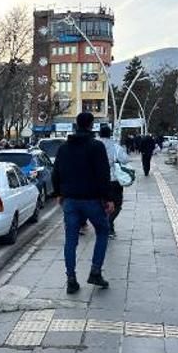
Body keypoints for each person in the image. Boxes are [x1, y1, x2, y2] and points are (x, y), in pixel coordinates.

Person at [52, 112, 114, 294]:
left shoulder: (63, 148)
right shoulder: (96, 146)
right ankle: (95, 271)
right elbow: (103, 174)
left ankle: (71, 279)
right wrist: (108, 198)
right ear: (91, 125)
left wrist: (59, 193)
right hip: (92, 200)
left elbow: (56, 173)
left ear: (76, 125)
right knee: (103, 230)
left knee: (70, 240)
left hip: (70, 201)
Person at [99, 125, 128, 238]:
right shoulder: (115, 146)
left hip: (98, 181)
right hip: (113, 180)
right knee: (117, 204)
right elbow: (125, 159)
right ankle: (109, 224)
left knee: (102, 204)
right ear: (109, 133)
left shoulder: (95, 145)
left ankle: (107, 226)